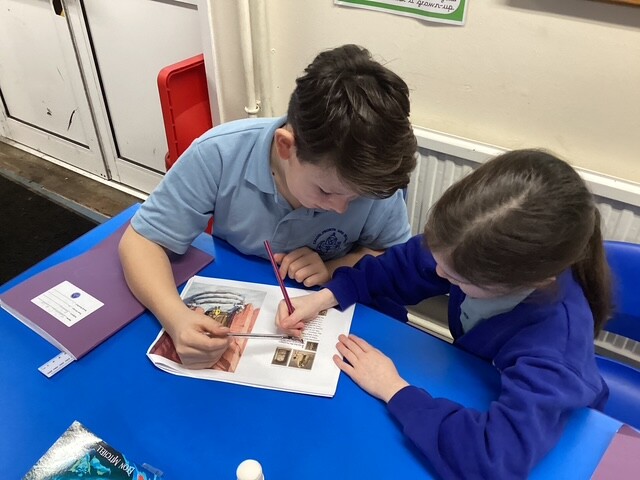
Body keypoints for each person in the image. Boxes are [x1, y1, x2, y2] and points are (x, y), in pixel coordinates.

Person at [276, 149, 612, 479]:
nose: (437, 272)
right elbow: (404, 265)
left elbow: (491, 460)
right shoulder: (466, 244)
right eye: (440, 260)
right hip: (474, 379)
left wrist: (393, 388)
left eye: (457, 278)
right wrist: (328, 296)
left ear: (532, 281)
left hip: (566, 441)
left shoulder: (556, 351)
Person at [118, 44, 417, 369]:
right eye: (326, 191)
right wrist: (176, 318)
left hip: (341, 315)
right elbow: (142, 241)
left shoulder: (370, 179)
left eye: (355, 198)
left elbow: (394, 256)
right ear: (286, 147)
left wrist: (334, 267)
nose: (342, 209)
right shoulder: (218, 154)